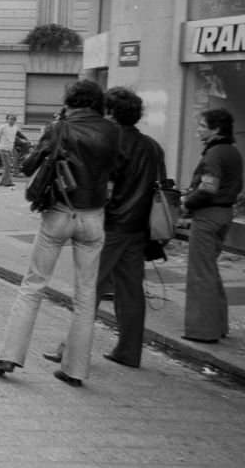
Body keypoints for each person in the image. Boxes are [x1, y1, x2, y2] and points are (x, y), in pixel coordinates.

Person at [0, 80, 121, 387]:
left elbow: (29, 165)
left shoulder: (60, 127)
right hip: (93, 216)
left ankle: (10, 355)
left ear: (70, 101)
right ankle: (75, 370)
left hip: (59, 211)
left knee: (33, 284)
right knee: (86, 295)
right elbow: (117, 172)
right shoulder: (113, 132)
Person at [43, 87, 166, 368]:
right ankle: (129, 350)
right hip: (139, 227)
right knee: (131, 290)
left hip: (109, 224)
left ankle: (70, 351)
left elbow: (102, 182)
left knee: (89, 288)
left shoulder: (108, 140)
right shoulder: (152, 146)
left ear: (109, 112)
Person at [181, 108, 243, 344]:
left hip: (207, 216)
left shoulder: (215, 154)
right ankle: (218, 325)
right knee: (210, 270)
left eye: (202, 126)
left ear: (216, 129)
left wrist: (187, 202)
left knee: (200, 274)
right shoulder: (232, 151)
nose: (198, 130)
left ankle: (202, 330)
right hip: (225, 213)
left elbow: (208, 188)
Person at [0, 114, 20, 188]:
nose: (11, 120)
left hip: (10, 149)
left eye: (13, 119)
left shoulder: (15, 128)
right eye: (10, 119)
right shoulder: (3, 127)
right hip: (3, 148)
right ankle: (8, 182)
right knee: (8, 165)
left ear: (15, 121)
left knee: (7, 166)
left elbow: (13, 138)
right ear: (7, 119)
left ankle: (2, 181)